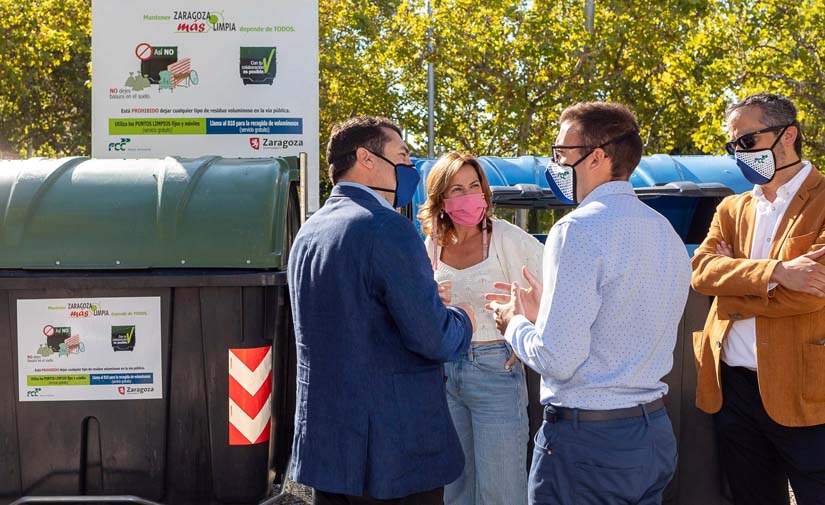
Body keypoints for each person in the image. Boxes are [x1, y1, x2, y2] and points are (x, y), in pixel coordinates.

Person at [487, 102, 691, 505]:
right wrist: (545, 316)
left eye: (562, 152)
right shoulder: (663, 229)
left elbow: (558, 358)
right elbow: (621, 322)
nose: (556, 163)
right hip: (651, 434)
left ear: (598, 156)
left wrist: (514, 323)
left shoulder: (578, 228)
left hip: (588, 442)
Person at [287, 116, 476, 505]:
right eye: (403, 156)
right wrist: (462, 320)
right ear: (365, 158)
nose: (410, 170)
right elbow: (434, 337)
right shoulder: (388, 228)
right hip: (394, 457)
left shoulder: (308, 232)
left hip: (329, 450)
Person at [691, 93, 825, 505]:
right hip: (732, 390)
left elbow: (813, 297)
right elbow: (701, 273)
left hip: (804, 388)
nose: (739, 154)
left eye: (747, 141)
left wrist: (733, 292)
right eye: (732, 146)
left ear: (789, 135)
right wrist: (778, 273)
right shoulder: (732, 208)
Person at [417, 152, 544, 505]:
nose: (470, 195)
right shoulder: (431, 246)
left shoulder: (507, 237)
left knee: (501, 493)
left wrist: (527, 332)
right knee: (454, 492)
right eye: (457, 189)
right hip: (444, 374)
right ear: (441, 199)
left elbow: (553, 290)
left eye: (475, 186)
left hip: (495, 372)